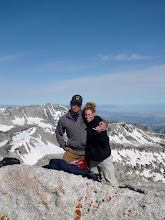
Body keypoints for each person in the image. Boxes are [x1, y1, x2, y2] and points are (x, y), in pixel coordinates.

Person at [84, 102, 119, 187]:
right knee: (94, 181)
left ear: (93, 114)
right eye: (85, 115)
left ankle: (116, 196)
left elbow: (104, 142)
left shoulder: (99, 124)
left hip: (104, 158)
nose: (87, 116)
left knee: (111, 181)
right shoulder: (87, 123)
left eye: (89, 114)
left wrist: (100, 133)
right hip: (93, 159)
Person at [55, 95, 87, 163]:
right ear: (70, 103)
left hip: (86, 151)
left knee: (91, 172)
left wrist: (104, 124)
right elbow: (58, 133)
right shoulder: (64, 119)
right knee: (63, 167)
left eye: (78, 104)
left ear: (81, 105)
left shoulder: (86, 115)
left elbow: (98, 120)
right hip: (72, 152)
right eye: (74, 104)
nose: (76, 106)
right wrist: (63, 145)